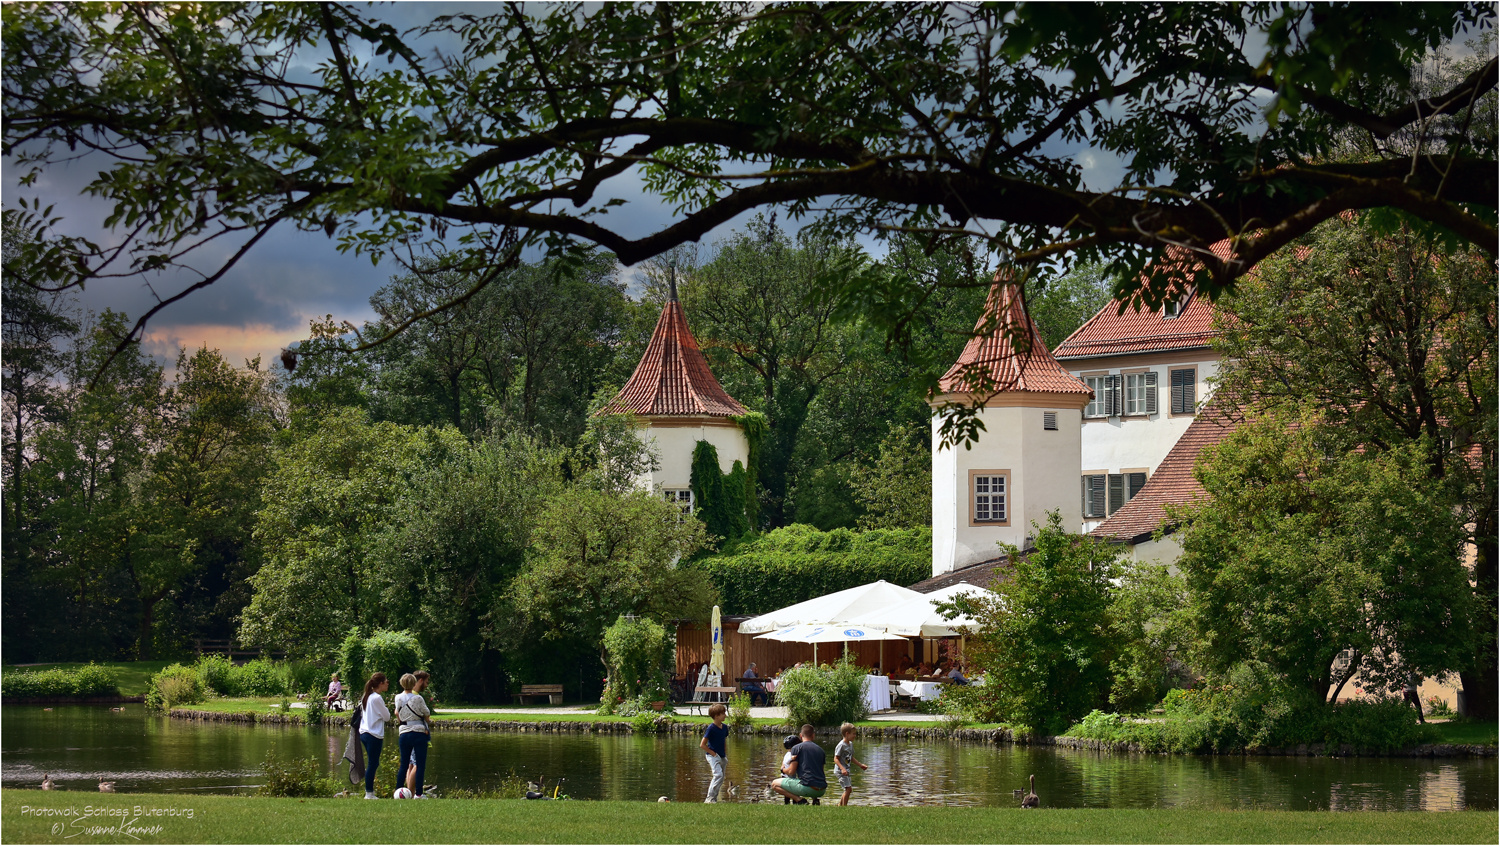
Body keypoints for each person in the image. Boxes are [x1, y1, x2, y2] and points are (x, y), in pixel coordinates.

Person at [395, 673, 432, 798]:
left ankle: (398, 791)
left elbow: (397, 713)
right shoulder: (418, 698)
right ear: (414, 683)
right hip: (418, 732)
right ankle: (419, 794)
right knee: (420, 764)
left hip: (404, 732)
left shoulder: (398, 697)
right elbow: (426, 713)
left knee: (404, 764)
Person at [771, 724, 827, 805]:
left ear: (801, 735)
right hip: (821, 790)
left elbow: (791, 771)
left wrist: (782, 769)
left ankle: (799, 800)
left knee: (774, 784)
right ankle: (815, 800)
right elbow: (819, 771)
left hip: (808, 789)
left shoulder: (796, 748)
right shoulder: (821, 750)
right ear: (813, 735)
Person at [358, 672, 391, 799]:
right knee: (373, 763)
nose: (388, 684)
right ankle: (369, 792)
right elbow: (387, 717)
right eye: (386, 682)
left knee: (372, 763)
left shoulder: (367, 695)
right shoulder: (377, 698)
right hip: (374, 734)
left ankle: (369, 791)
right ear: (380, 683)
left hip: (364, 732)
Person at [699, 702, 729, 803]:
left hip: (722, 756)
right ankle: (709, 798)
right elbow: (702, 745)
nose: (725, 715)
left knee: (721, 778)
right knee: (718, 775)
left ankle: (714, 798)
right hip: (712, 756)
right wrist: (713, 754)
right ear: (716, 716)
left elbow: (723, 741)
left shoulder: (724, 727)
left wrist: (724, 755)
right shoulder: (711, 728)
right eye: (723, 713)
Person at [834, 722, 869, 806]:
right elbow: (836, 758)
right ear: (847, 734)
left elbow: (851, 758)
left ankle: (840, 805)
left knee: (847, 789)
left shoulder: (850, 745)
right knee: (848, 789)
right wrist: (842, 769)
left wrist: (860, 765)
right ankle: (844, 807)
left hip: (846, 770)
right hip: (840, 771)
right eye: (853, 734)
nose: (855, 736)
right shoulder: (841, 745)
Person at [776, 734, 799, 804]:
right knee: (795, 793)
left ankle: (787, 804)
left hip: (784, 776)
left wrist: (782, 769)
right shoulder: (792, 754)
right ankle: (797, 802)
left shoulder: (787, 754)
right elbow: (793, 759)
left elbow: (783, 764)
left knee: (787, 795)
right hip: (790, 777)